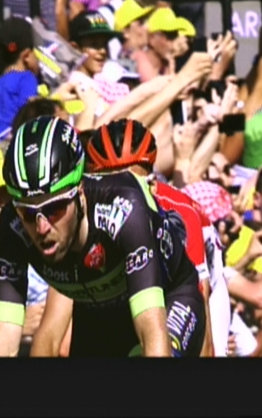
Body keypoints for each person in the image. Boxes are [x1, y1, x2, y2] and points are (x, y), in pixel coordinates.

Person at [0, 116, 205, 357]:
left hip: (168, 296)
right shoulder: (12, 227)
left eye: (54, 208)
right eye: (28, 213)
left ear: (80, 194)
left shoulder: (124, 211)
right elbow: (3, 339)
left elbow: (152, 333)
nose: (42, 227)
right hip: (98, 311)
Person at [84, 118, 230, 357]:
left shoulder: (180, 215)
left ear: (151, 184)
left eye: (131, 186)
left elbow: (200, 303)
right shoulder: (84, 209)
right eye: (112, 187)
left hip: (194, 287)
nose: (122, 199)